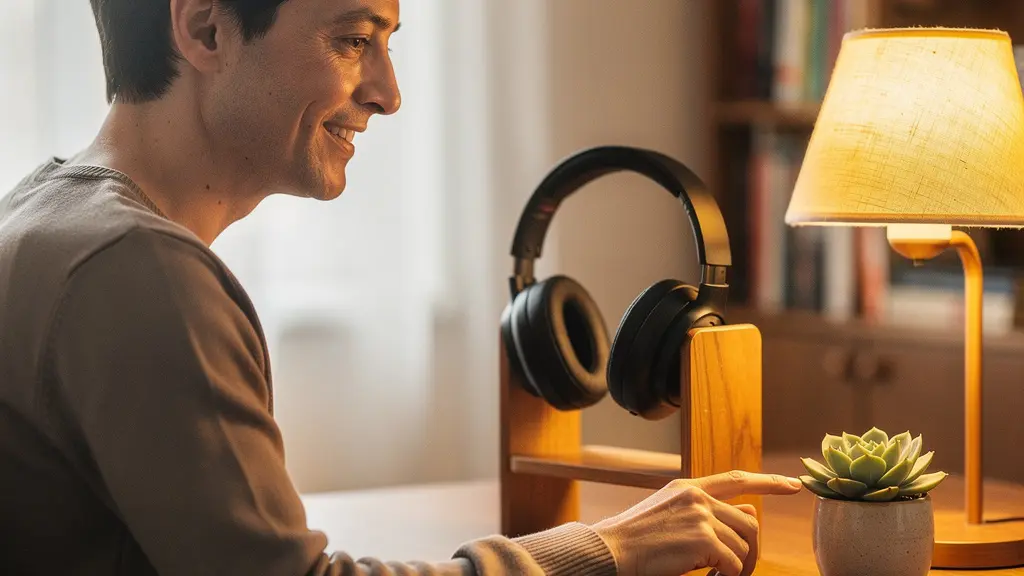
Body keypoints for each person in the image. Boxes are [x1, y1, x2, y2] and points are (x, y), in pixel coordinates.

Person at [0, 0, 803, 575]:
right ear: (206, 27)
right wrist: (609, 549)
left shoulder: (40, 217)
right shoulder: (140, 274)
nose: (388, 92)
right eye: (354, 40)